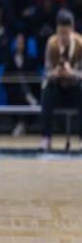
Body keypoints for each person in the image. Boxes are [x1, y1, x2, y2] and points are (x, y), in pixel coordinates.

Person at [40, 9, 82, 151]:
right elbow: (46, 72)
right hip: (56, 86)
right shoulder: (51, 43)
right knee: (46, 91)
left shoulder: (80, 44)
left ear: (72, 30)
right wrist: (56, 73)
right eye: (60, 33)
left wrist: (72, 73)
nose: (63, 36)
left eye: (66, 33)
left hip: (74, 86)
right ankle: (46, 137)